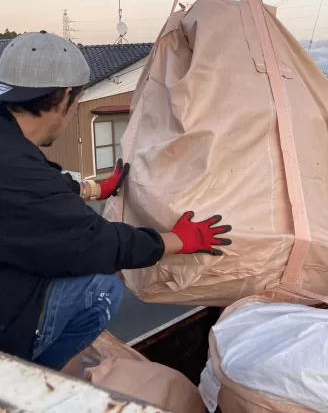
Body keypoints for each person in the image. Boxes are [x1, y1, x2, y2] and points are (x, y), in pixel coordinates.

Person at [0, 31, 232, 371]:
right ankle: (30, 379)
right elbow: (96, 243)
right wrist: (178, 240)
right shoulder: (19, 167)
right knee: (101, 289)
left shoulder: (10, 146)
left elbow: (31, 191)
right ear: (66, 96)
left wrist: (95, 190)